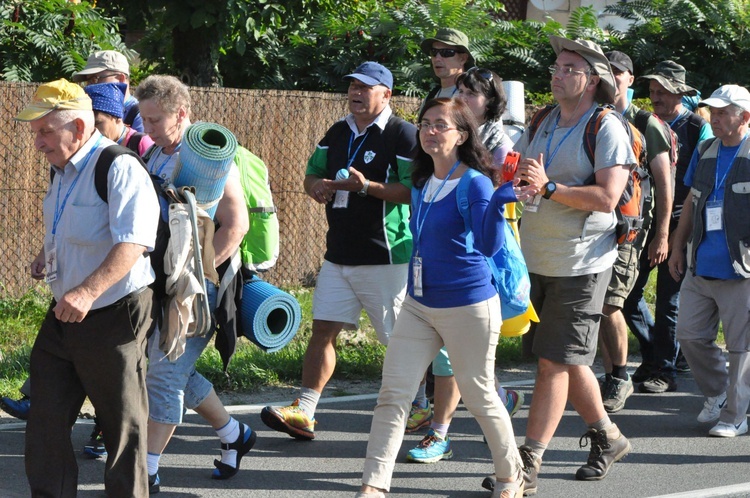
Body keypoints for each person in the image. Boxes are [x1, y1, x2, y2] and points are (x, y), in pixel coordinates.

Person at [357, 97, 524, 498]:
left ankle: (510, 477)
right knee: (393, 396)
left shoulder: (476, 182)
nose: (430, 130)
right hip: (419, 304)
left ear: (462, 134)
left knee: (480, 394)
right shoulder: (420, 181)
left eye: (440, 125)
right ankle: (374, 485)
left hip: (468, 304)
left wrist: (498, 204)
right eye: (425, 123)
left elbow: (486, 244)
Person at [15, 78, 159, 497]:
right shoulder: (61, 169)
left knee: (122, 427)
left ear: (78, 128)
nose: (38, 143)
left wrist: (87, 291)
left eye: (45, 131)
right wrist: (49, 253)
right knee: (44, 421)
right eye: (35, 133)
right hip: (67, 313)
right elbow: (73, 223)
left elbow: (133, 241)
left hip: (114, 311)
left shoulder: (119, 166)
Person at [260, 62, 417, 441]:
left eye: (365, 86)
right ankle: (305, 410)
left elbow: (414, 189)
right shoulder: (337, 131)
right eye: (352, 85)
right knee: (323, 330)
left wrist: (368, 187)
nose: (356, 92)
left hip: (386, 255)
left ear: (387, 94)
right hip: (339, 254)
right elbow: (312, 172)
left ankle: (424, 405)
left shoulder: (403, 134)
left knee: (402, 341)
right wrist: (316, 186)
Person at [508, 37, 634, 494]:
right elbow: (523, 174)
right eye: (555, 65)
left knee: (552, 363)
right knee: (568, 359)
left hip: (582, 264)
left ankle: (527, 465)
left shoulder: (606, 127)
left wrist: (547, 190)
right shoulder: (541, 119)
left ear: (591, 79)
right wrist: (517, 185)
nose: (556, 74)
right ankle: (610, 436)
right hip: (536, 258)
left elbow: (607, 197)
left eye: (567, 68)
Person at [135, 74, 254, 492]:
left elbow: (236, 224)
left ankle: (146, 471)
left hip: (199, 287)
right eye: (143, 119)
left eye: (154, 119)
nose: (146, 128)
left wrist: (198, 278)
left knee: (165, 374)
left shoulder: (210, 160)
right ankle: (234, 435)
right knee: (173, 368)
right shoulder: (159, 155)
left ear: (181, 113)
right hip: (164, 282)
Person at [402, 67, 524, 465]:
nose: (465, 97)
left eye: (473, 93)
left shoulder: (495, 148)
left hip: (473, 277)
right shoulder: (425, 173)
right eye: (463, 90)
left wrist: (497, 198)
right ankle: (378, 478)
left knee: (471, 382)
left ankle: (501, 463)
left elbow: (489, 231)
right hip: (426, 292)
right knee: (404, 387)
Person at [623, 60, 713, 394]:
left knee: (669, 301)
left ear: (679, 92)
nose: (655, 96)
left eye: (662, 91)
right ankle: (658, 355)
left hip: (684, 222)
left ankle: (664, 370)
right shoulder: (645, 123)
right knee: (629, 295)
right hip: (648, 222)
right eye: (652, 90)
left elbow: (700, 182)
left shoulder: (696, 127)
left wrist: (678, 232)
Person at [668, 84, 750, 438]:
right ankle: (719, 393)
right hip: (701, 263)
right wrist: (676, 246)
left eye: (722, 113)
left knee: (741, 348)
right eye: (712, 112)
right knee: (689, 335)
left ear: (744, 117)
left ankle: (735, 416)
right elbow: (691, 200)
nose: (714, 118)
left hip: (741, 268)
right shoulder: (705, 149)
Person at [406, 27, 476, 434]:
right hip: (429, 224)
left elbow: (490, 156)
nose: (439, 57)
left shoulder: (473, 93)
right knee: (443, 348)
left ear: (463, 58)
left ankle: (442, 430)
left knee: (456, 354)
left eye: (448, 51)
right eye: (434, 51)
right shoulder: (434, 100)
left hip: (466, 235)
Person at [597, 50, 673, 413]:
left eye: (618, 72)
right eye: (605, 72)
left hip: (631, 230)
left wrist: (662, 234)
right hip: (595, 226)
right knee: (600, 303)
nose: (611, 78)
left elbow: (663, 181)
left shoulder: (647, 123)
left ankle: (621, 374)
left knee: (613, 302)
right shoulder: (595, 117)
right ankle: (614, 370)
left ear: (630, 78)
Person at [72, 50, 144, 132]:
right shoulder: (90, 109)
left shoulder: (141, 114)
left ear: (120, 79)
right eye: (88, 81)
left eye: (95, 79)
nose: (89, 86)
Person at [85, 82, 155, 155]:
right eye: (88, 125)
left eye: (97, 123)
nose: (92, 130)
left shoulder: (142, 143)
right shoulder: (92, 146)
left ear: (117, 118)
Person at [421, 28, 475, 102]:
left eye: (446, 52)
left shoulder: (471, 96)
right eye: (434, 52)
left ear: (463, 59)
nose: (437, 58)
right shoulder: (432, 96)